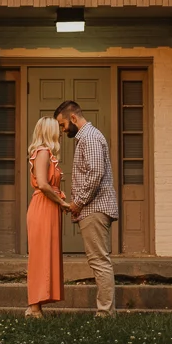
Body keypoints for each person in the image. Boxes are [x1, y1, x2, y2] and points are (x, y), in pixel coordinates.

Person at [55, 100, 119, 317]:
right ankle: (106, 311)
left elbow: (95, 173)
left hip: (95, 208)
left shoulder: (89, 137)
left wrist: (78, 202)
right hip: (93, 207)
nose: (63, 130)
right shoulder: (87, 137)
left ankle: (105, 313)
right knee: (98, 260)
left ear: (73, 118)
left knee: (99, 260)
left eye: (63, 125)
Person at [24, 116, 70, 319]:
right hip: (43, 207)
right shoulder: (42, 152)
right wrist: (61, 202)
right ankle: (34, 308)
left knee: (47, 255)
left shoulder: (47, 153)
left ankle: (37, 305)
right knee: (40, 256)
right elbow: (43, 184)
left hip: (49, 207)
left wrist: (59, 199)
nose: (61, 132)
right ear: (50, 131)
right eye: (57, 129)